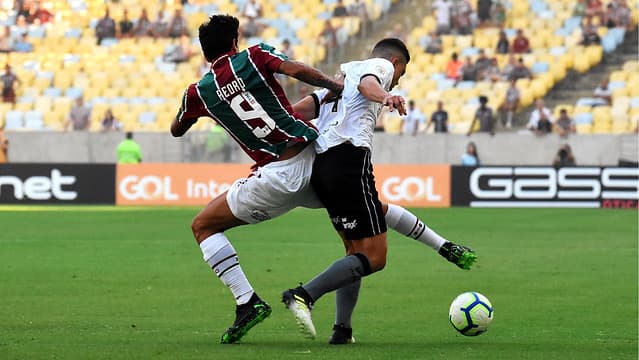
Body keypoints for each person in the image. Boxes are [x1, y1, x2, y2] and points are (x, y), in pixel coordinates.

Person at [282, 38, 476, 343]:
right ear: (396, 63)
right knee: (374, 257)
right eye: (402, 73)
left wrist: (443, 246)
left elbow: (306, 108)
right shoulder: (380, 66)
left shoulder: (340, 81)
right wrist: (387, 95)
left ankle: (342, 330)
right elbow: (369, 84)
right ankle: (302, 295)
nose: (398, 77)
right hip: (349, 160)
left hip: (323, 166)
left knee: (355, 251)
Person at [170, 14, 344, 345]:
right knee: (362, 220)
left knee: (203, 226)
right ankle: (437, 243)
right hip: (314, 156)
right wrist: (334, 86)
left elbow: (176, 129)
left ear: (205, 53)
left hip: (278, 176)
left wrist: (195, 111)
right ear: (235, 41)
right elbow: (297, 71)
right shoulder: (255, 55)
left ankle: (247, 303)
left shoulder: (199, 92)